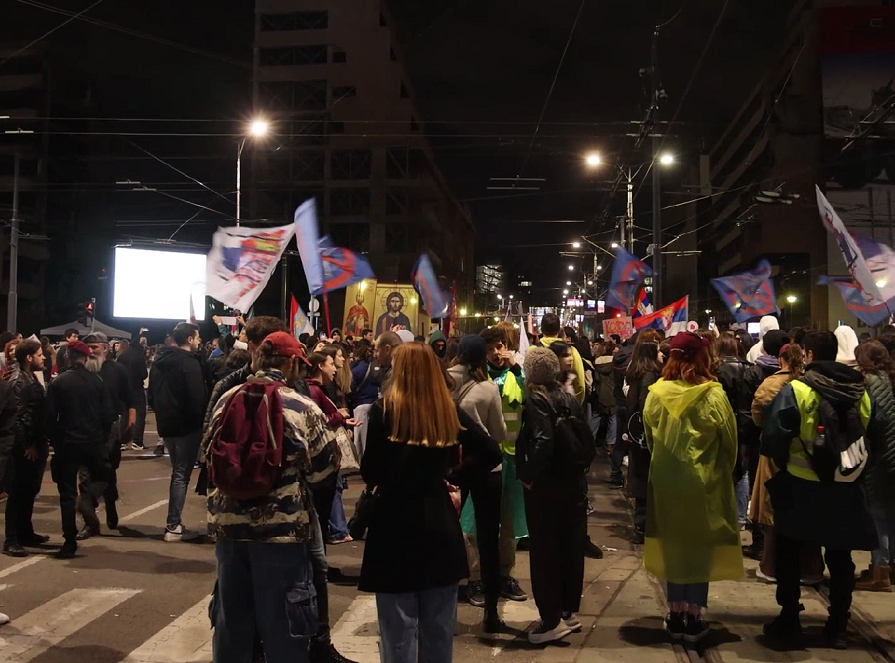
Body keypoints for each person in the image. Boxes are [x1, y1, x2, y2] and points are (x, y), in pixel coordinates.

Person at [360, 342, 501, 663]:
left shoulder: (384, 410)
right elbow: (491, 451)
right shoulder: (446, 409)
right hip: (438, 525)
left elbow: (370, 472)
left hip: (393, 528)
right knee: (438, 635)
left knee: (398, 634)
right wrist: (456, 476)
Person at [207, 332, 341, 663]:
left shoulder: (228, 400)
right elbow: (326, 470)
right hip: (282, 532)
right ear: (292, 363)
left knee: (232, 623)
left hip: (228, 530)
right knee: (284, 627)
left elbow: (207, 457)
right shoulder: (302, 406)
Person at [761, 330, 879, 649]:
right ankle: (838, 625)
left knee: (790, 556)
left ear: (809, 355)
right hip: (846, 488)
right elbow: (875, 438)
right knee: (841, 558)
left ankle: (789, 620)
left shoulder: (798, 390)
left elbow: (772, 438)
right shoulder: (861, 392)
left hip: (801, 487)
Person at [643, 332, 742, 643]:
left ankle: (674, 614)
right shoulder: (714, 395)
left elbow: (649, 438)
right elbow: (730, 443)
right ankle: (694, 617)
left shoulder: (656, 394)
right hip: (705, 484)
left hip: (667, 483)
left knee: (674, 548)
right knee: (700, 550)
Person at [516, 346, 590, 644]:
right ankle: (568, 611)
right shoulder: (569, 397)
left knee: (545, 551)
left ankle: (550, 620)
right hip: (573, 484)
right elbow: (586, 439)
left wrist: (529, 476)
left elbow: (543, 441)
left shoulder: (536, 400)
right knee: (570, 547)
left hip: (547, 487)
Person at [448, 335, 517, 630]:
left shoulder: (444, 383)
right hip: (487, 469)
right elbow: (499, 435)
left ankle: (451, 599)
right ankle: (490, 611)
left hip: (454, 467)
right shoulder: (487, 388)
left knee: (453, 530)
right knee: (489, 537)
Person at [749, 343, 819, 584]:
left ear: (781, 359)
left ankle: (770, 567)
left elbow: (757, 413)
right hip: (809, 456)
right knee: (808, 513)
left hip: (775, 455)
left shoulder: (773, 383)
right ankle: (810, 569)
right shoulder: (810, 380)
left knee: (772, 512)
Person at [46, 341, 114, 559]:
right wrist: (101, 437)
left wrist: (56, 440)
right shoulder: (97, 381)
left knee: (66, 493)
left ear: (67, 356)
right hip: (93, 441)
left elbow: (50, 417)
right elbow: (107, 416)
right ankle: (89, 500)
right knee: (103, 476)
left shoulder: (59, 383)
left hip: (68, 443)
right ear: (85, 358)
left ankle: (69, 539)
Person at [148, 322, 208, 542]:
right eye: (198, 336)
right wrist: (202, 422)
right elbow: (197, 398)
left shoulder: (159, 361)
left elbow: (151, 395)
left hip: (167, 425)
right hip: (186, 426)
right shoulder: (189, 363)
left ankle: (174, 523)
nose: (200, 340)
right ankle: (173, 525)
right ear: (190, 339)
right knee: (181, 474)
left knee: (178, 472)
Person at [78, 332, 135, 538]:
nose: (92, 351)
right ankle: (89, 521)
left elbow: (130, 397)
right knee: (85, 476)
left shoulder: (118, 370)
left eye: (95, 347)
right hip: (85, 429)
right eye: (89, 348)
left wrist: (130, 420)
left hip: (110, 429)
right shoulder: (81, 370)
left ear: (105, 348)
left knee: (107, 473)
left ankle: (110, 504)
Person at [853, 340, 895, 592]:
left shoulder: (866, 383)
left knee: (877, 512)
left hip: (879, 456)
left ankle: (880, 569)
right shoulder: (891, 378)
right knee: (892, 511)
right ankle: (891, 565)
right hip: (893, 455)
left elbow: (868, 421)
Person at [624, 337, 663, 545]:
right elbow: (645, 405)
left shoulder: (635, 373)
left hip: (636, 434)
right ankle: (643, 526)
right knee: (645, 478)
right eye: (657, 350)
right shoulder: (650, 374)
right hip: (645, 436)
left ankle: (641, 524)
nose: (661, 354)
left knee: (639, 476)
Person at [716, 333, 755, 531]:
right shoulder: (750, 368)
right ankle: (740, 517)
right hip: (747, 422)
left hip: (727, 421)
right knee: (743, 470)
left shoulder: (719, 370)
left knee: (725, 467)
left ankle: (725, 513)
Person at [2, 341, 35, 557]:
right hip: (12, 447)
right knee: (15, 493)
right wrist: (25, 443)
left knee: (25, 490)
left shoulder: (26, 378)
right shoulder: (14, 382)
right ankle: (12, 538)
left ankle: (23, 532)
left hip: (16, 444)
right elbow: (18, 418)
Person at [538, 314, 585, 404]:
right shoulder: (571, 350)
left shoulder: (533, 350)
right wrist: (576, 404)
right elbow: (580, 384)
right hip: (566, 405)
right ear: (559, 330)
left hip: (541, 404)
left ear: (541, 329)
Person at [116, 338, 149, 451]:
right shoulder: (139, 357)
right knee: (140, 415)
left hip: (123, 389)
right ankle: (137, 441)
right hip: (137, 388)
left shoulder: (122, 356)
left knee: (124, 414)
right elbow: (144, 374)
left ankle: (122, 441)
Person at [349, 340, 377, 459]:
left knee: (360, 440)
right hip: (374, 405)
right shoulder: (375, 368)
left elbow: (351, 389)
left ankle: (361, 462)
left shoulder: (356, 370)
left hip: (360, 405)